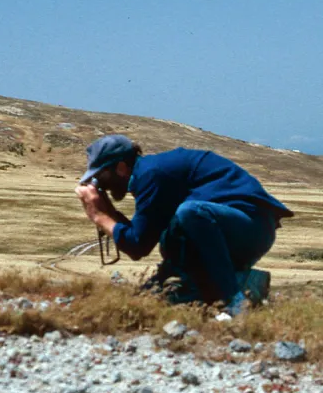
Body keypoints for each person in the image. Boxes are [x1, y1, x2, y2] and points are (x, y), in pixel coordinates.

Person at [74, 134, 292, 314]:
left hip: (251, 228)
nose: (99, 185)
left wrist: (99, 216)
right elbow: (141, 238)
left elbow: (137, 245)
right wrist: (107, 211)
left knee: (191, 213)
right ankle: (243, 282)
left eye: (100, 177)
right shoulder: (150, 173)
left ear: (121, 168)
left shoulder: (152, 175)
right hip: (239, 229)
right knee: (170, 240)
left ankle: (234, 302)